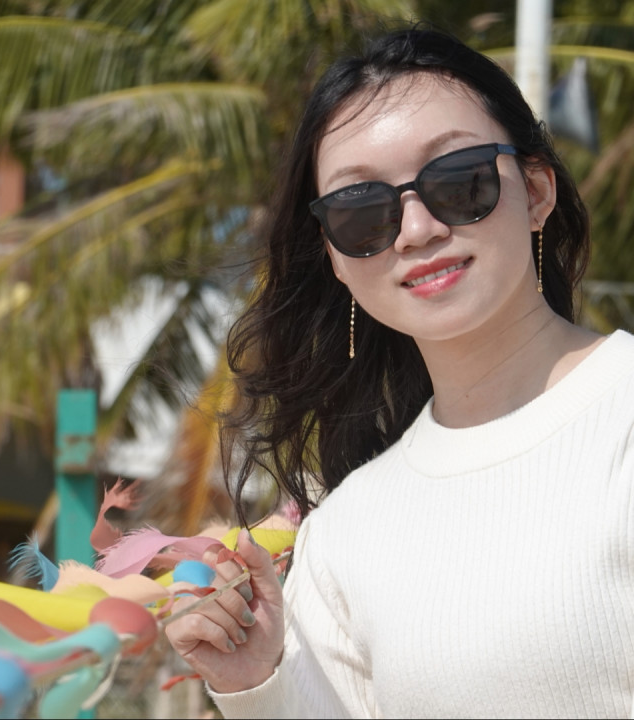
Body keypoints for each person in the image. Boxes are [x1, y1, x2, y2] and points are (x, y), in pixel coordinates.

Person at [165, 22, 634, 719]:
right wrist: (255, 684)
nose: (417, 231)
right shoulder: (346, 531)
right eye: (361, 212)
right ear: (334, 255)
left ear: (537, 191)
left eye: (460, 180)